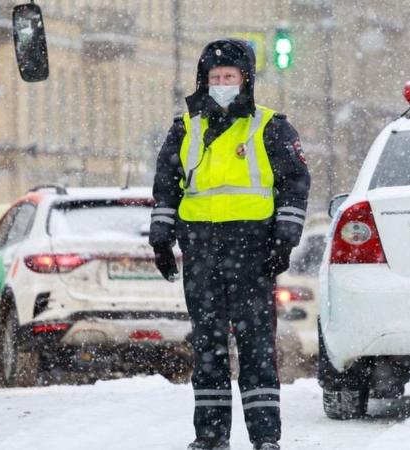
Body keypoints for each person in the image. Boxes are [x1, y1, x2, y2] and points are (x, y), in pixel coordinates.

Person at [150, 38, 310, 450]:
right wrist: (161, 239)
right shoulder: (185, 128)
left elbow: (294, 184)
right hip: (201, 251)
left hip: (252, 252)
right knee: (208, 347)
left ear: (246, 81)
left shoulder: (269, 126)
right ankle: (210, 436)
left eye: (230, 77)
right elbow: (167, 188)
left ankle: (265, 437)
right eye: (215, 77)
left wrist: (285, 239)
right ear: (204, 81)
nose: (222, 83)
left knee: (257, 346)